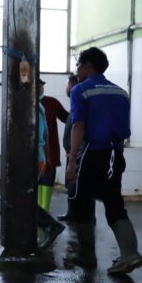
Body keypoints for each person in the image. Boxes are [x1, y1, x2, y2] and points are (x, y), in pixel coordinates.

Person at [65, 47, 142, 275]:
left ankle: (88, 256)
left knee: (80, 201)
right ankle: (130, 253)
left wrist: (71, 163)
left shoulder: (81, 90)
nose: (77, 69)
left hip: (91, 153)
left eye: (79, 64)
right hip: (115, 154)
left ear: (88, 65)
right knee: (113, 201)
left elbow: (78, 126)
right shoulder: (121, 92)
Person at [36, 98, 65, 250]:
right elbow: (45, 135)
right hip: (38, 157)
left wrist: (46, 159)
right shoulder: (40, 107)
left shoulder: (31, 107)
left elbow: (34, 135)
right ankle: (49, 225)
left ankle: (50, 225)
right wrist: (46, 158)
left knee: (21, 199)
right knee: (24, 197)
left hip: (31, 158)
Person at [38, 78, 69, 212]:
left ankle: (44, 214)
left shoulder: (51, 102)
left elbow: (68, 119)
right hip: (30, 156)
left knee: (46, 181)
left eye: (41, 85)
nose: (39, 88)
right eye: (37, 85)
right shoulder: (25, 102)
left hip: (49, 153)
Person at [57, 74, 79, 221]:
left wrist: (73, 152)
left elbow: (78, 128)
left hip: (75, 154)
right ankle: (73, 212)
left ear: (71, 85)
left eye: (66, 85)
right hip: (71, 152)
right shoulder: (74, 105)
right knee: (71, 185)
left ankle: (80, 215)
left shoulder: (78, 104)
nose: (65, 88)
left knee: (74, 184)